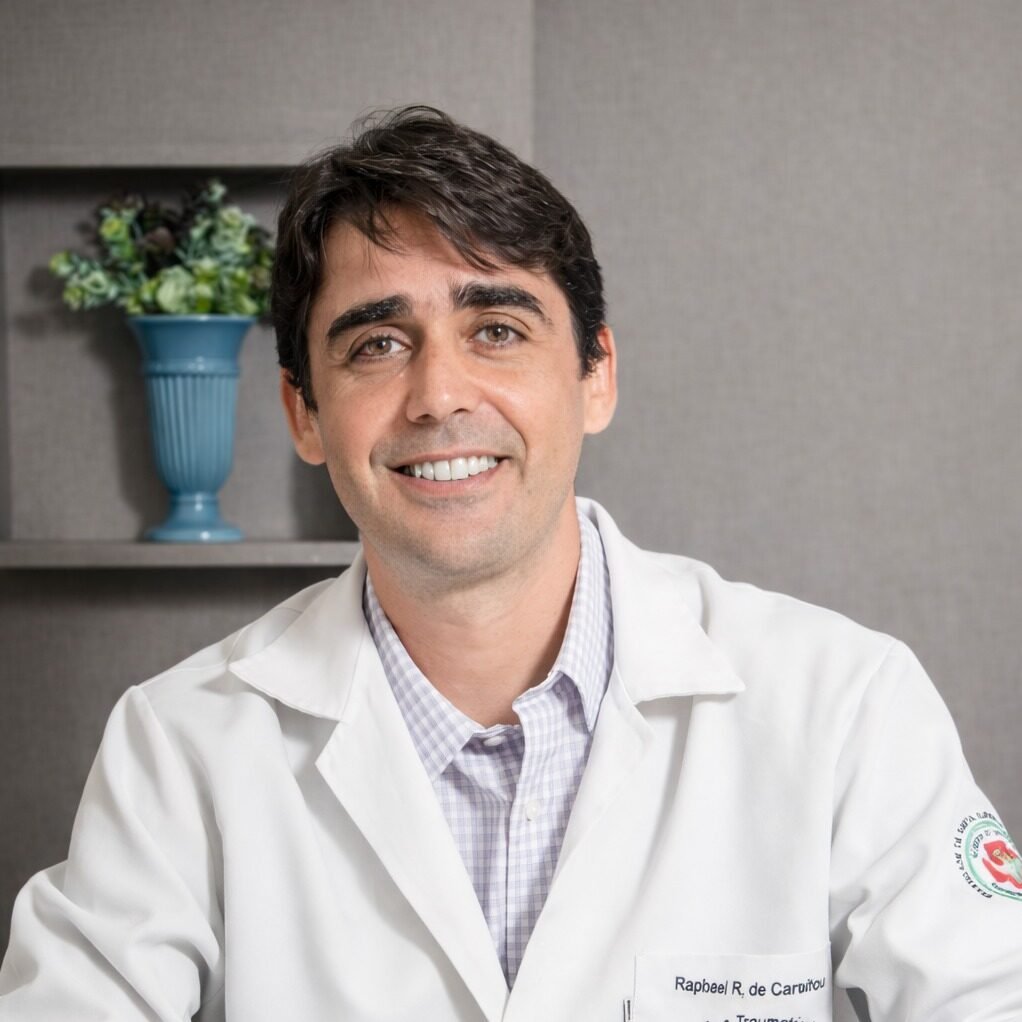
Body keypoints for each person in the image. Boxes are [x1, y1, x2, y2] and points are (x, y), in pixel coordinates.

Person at [1, 105, 1020, 1022]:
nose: (439, 394)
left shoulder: (842, 705)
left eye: (495, 329)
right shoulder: (182, 743)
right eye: (376, 344)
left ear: (595, 375)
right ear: (303, 413)